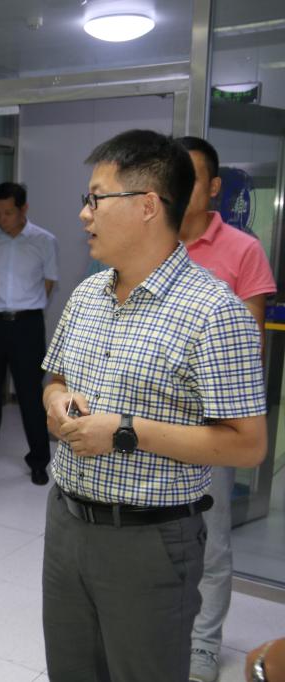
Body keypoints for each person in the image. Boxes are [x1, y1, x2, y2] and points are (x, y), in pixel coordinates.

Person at [41, 129, 267, 682]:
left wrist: (125, 431)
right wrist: (57, 400)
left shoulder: (215, 312)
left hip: (149, 542)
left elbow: (248, 445)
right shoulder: (87, 295)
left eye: (96, 198)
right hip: (65, 522)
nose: (84, 214)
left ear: (147, 206)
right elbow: (56, 378)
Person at [176, 136, 277, 682]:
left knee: (210, 541)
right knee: (155, 535)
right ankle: (160, 627)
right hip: (152, 418)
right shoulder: (151, 243)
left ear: (214, 187)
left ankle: (203, 645)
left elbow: (248, 346)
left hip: (211, 423)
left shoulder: (242, 250)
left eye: (189, 177)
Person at [0, 182, 58, 485]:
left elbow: (48, 283)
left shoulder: (44, 240)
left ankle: (39, 461)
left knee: (30, 394)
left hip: (27, 325)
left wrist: (22, 305)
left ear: (23, 209)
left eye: (8, 212)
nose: (1, 219)